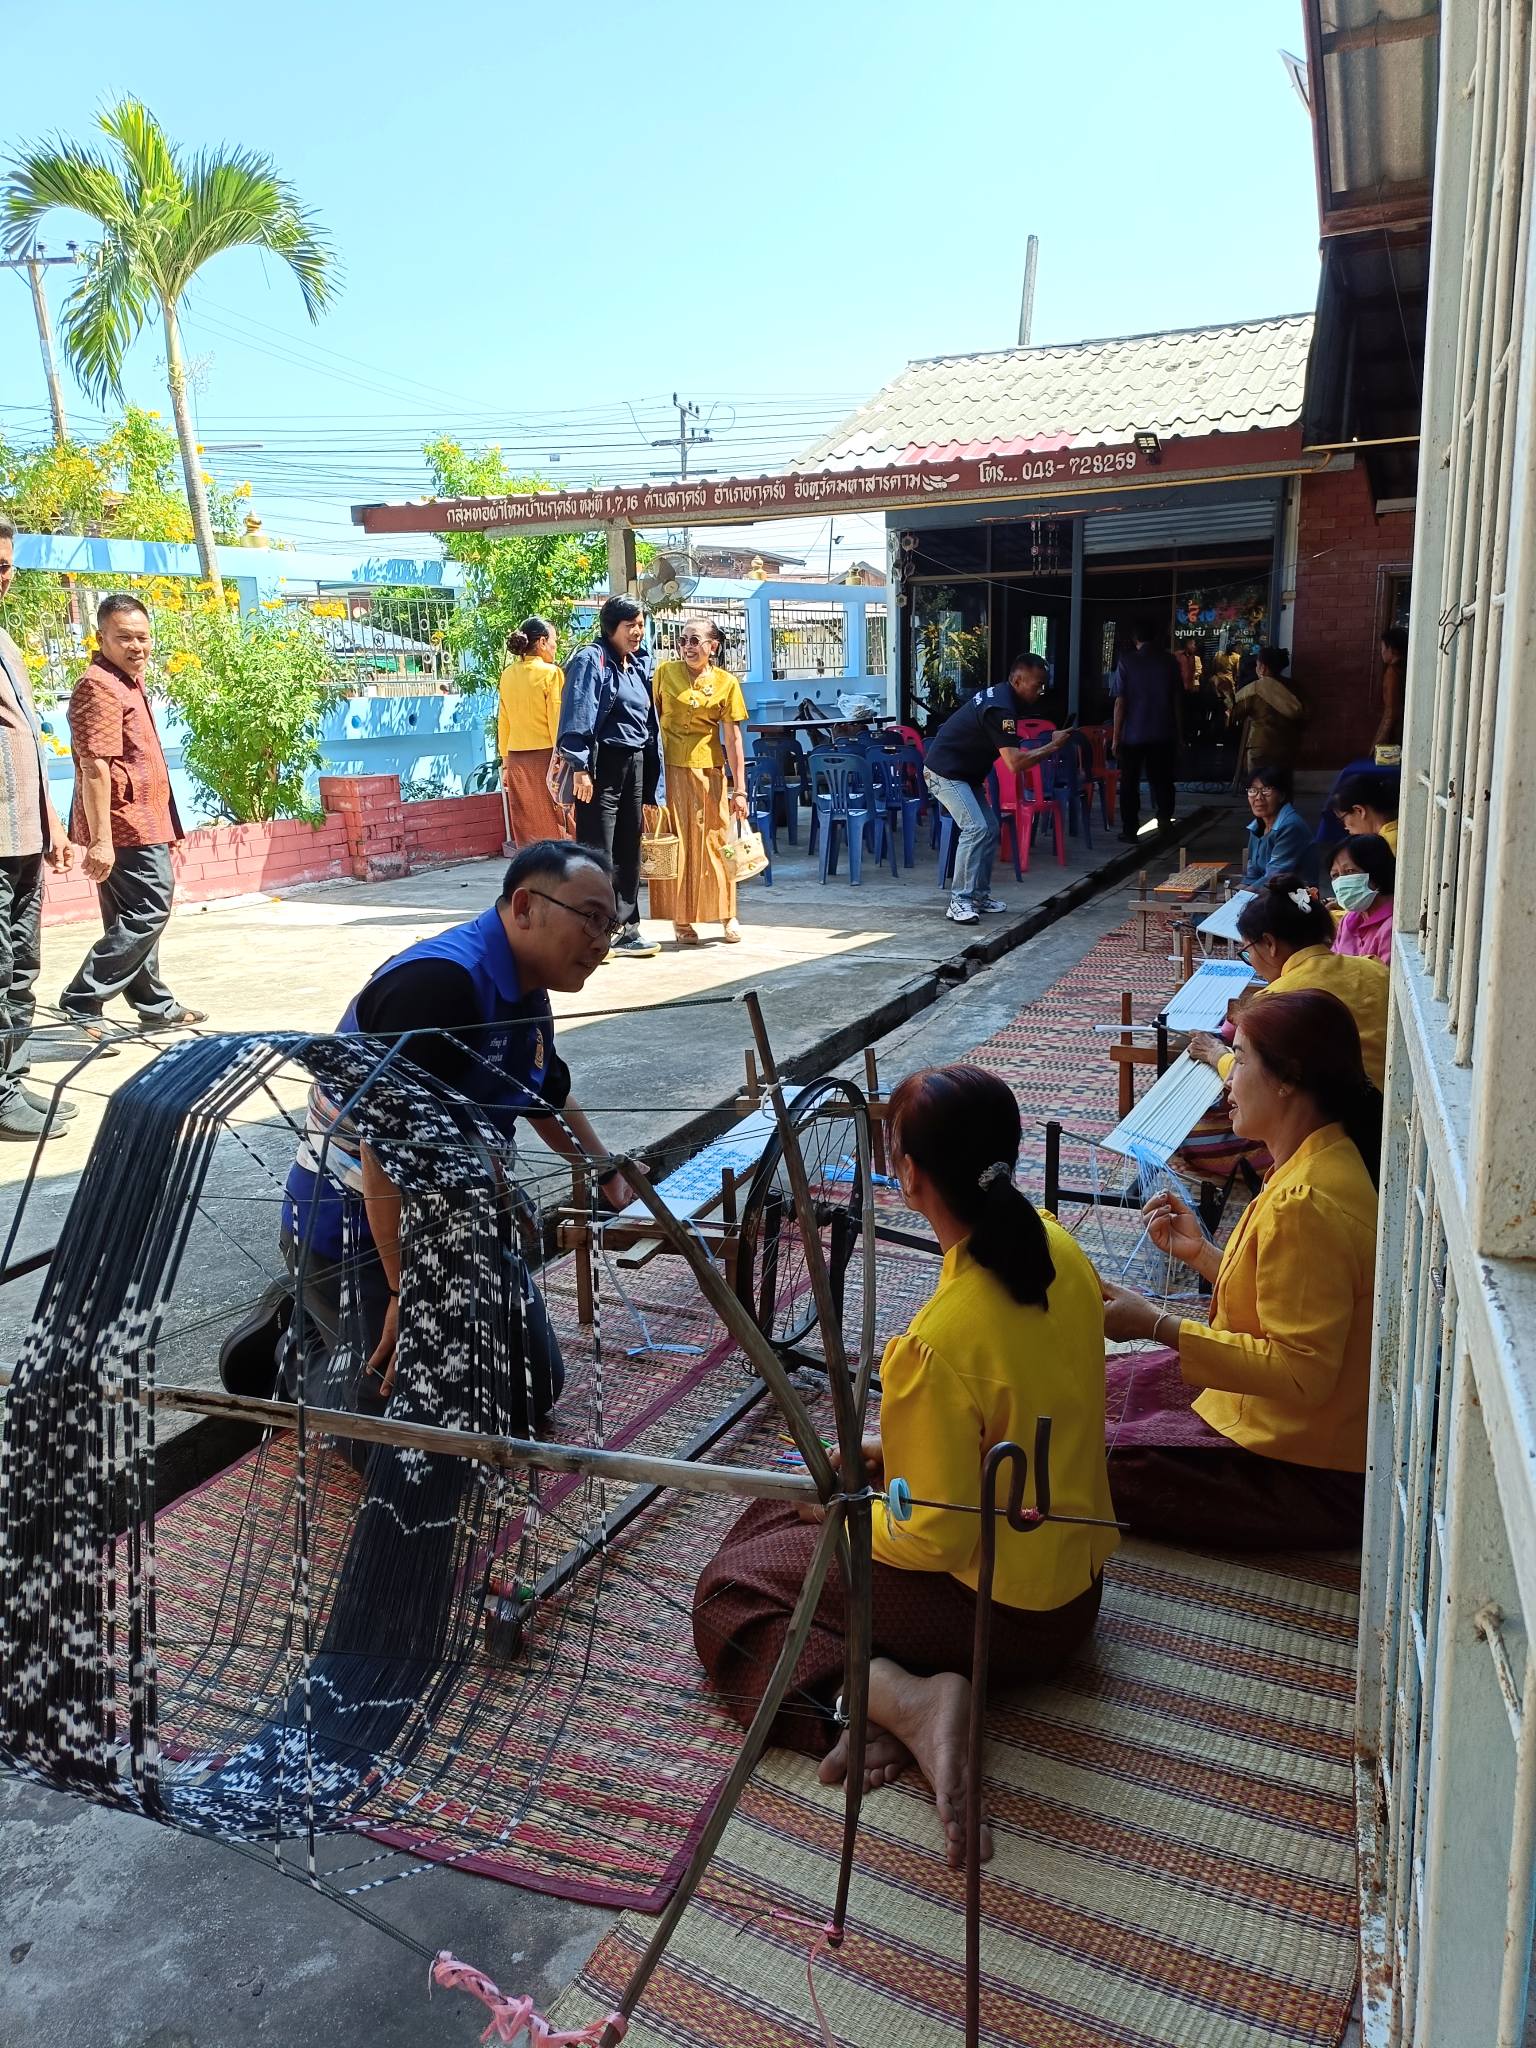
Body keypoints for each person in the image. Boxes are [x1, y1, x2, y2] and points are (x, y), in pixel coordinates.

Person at [693, 1064, 1116, 1867]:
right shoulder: (1059, 1248)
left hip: (1002, 1622)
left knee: (731, 1593)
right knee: (787, 1512)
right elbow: (1022, 1421)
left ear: (907, 1173)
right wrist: (888, 1457)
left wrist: (851, 1507)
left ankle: (892, 1701)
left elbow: (931, 1542)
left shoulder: (933, 1344)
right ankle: (888, 1691)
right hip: (1074, 1601)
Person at [228, 842, 638, 1445]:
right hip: (357, 1227)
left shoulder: (529, 987)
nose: (603, 941)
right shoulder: (437, 985)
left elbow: (545, 1090)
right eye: (591, 918)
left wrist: (604, 1171)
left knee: (526, 1393)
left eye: (612, 923)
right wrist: (402, 1291)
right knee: (400, 1444)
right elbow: (379, 1152)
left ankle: (333, 1323)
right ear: (525, 905)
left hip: (456, 1214)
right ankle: (300, 1345)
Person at [1101, 989, 1380, 1548]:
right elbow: (1292, 1295)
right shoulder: (1320, 1157)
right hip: (1288, 1425)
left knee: (1076, 1456)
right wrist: (1199, 1252)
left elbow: (1301, 1373)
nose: (1229, 1080)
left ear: (1286, 1079)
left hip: (1306, 1467)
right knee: (1093, 1387)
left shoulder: (1307, 1202)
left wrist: (1156, 1323)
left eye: (1243, 1059)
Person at [60, 594, 205, 1038]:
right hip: (123, 824)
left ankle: (154, 1005)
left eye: (142, 637)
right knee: (150, 910)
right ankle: (83, 999)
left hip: (142, 819)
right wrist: (101, 840)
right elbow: (95, 766)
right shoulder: (98, 686)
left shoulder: (126, 681)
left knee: (132, 916)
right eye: (124, 638)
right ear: (101, 637)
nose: (136, 646)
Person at [0, 517, 76, 1140]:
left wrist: (51, 822)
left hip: (22, 835)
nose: (3, 578)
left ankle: (11, 1081)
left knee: (22, 965)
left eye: (7, 567)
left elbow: (28, 738)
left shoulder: (6, 641)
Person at [1188, 873, 1389, 1087]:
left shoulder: (1277, 1002)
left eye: (1248, 951)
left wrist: (1215, 1053)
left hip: (1345, 1115)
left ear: (1269, 943)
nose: (1252, 962)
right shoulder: (1374, 968)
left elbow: (1251, 1078)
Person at [923, 653, 1072, 926]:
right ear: (1017, 680)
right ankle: (959, 902)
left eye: (1043, 685)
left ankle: (979, 896)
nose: (1040, 690)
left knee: (990, 828)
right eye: (1036, 684)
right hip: (944, 773)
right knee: (976, 828)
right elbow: (1014, 763)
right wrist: (1052, 746)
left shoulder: (1006, 698)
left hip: (965, 775)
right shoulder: (1000, 708)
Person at [556, 595, 661, 959]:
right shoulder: (591, 660)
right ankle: (595, 928)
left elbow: (647, 722)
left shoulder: (637, 663)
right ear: (611, 627)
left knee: (629, 848)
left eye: (641, 624)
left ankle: (628, 928)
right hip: (601, 766)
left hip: (635, 762)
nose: (638, 631)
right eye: (630, 625)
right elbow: (578, 711)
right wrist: (580, 767)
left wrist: (649, 784)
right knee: (597, 850)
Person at [647, 617, 750, 946]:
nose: (688, 647)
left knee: (718, 845)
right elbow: (650, 724)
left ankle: (727, 914)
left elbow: (733, 740)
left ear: (712, 646)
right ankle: (681, 919)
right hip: (671, 773)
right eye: (683, 640)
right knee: (676, 845)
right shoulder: (664, 673)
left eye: (695, 640)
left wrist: (740, 789)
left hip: (710, 774)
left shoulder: (726, 683)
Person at [497, 615, 570, 846]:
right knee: (557, 820)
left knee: (527, 824)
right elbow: (556, 720)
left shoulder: (508, 674)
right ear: (541, 643)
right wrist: (562, 759)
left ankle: (532, 874)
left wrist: (506, 763)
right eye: (553, 642)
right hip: (546, 757)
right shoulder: (551, 673)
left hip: (517, 760)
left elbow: (504, 721)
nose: (555, 648)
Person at [1111, 621, 1181, 840]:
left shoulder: (1127, 662)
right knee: (1162, 779)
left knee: (1130, 782)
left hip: (1133, 733)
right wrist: (1180, 733)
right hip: (1163, 731)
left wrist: (1115, 737)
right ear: (1157, 637)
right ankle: (1164, 822)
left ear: (1135, 640)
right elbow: (1177, 700)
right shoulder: (1170, 662)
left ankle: (1130, 829)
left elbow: (1120, 702)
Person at [1241, 761, 1318, 886]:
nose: (1258, 797)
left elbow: (1273, 878)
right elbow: (1252, 875)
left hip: (1295, 899)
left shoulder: (1290, 826)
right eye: (1252, 790)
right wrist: (1234, 895)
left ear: (1282, 795)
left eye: (1266, 790)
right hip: (1266, 895)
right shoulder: (1256, 826)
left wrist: (1241, 898)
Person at [1233, 645, 1304, 774]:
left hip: (1261, 744)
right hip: (1289, 744)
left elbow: (1233, 712)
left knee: (1259, 785)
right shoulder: (1294, 687)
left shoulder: (1255, 688)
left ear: (1262, 668)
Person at [1331, 833, 1395, 966]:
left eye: (1349, 871)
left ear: (1376, 872)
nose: (1341, 881)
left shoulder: (1392, 926)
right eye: (1335, 875)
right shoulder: (1350, 919)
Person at [1331, 769, 1400, 855]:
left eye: (1342, 820)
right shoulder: (1399, 828)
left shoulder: (1384, 847)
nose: (1346, 828)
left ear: (1360, 811)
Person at [1375, 625, 1407, 753]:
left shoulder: (1392, 672)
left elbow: (1391, 710)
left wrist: (1379, 742)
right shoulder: (1404, 669)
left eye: (1383, 647)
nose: (1381, 651)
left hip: (1395, 733)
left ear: (1392, 649)